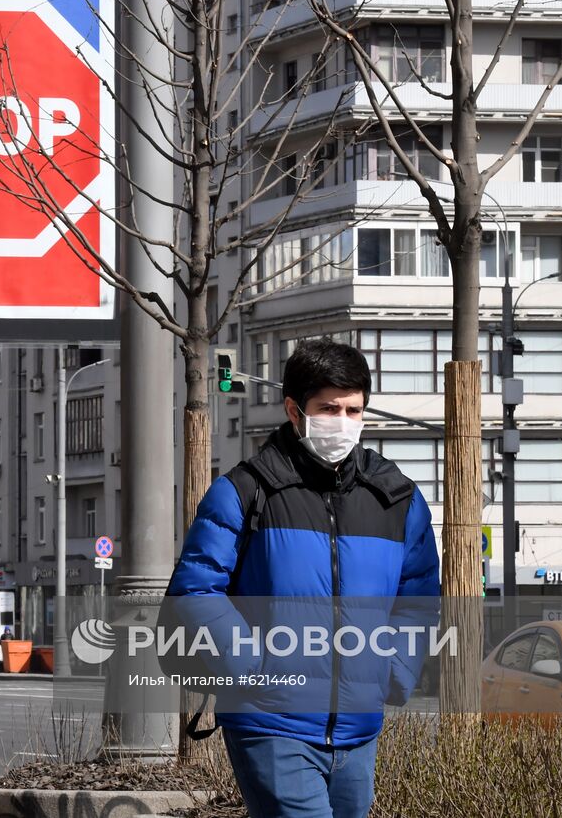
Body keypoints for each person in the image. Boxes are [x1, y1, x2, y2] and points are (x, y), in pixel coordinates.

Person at [167, 338, 441, 818]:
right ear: (294, 411)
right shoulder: (244, 492)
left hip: (358, 729)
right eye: (328, 408)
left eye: (354, 410)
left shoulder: (396, 499)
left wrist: (394, 673)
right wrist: (255, 670)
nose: (343, 422)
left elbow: (418, 596)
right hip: (270, 723)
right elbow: (194, 593)